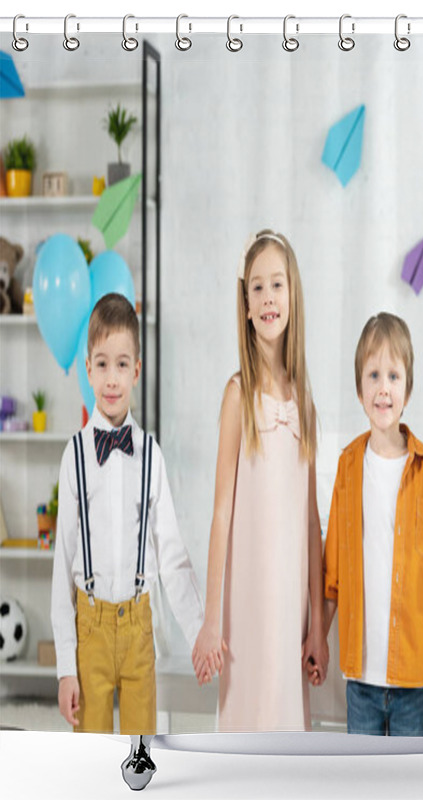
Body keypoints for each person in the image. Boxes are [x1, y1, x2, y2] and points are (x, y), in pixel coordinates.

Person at [192, 229, 327, 732]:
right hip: (246, 603)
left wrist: (317, 625)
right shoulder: (237, 395)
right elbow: (221, 512)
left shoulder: (305, 403)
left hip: (291, 602)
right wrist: (211, 619)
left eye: (277, 285)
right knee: (249, 724)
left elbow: (311, 522)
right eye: (257, 288)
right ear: (245, 304)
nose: (268, 297)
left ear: (292, 295)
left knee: (286, 732)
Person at [51, 292, 205, 735]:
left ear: (137, 370)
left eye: (122, 364)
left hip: (138, 629)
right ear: (87, 369)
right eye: (102, 364)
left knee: (142, 757)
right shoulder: (75, 456)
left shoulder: (151, 455)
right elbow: (63, 564)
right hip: (90, 632)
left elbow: (173, 556)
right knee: (92, 760)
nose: (112, 378)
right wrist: (66, 667)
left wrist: (197, 633)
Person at [323, 312, 423, 736]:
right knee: (362, 781)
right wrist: (316, 637)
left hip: (411, 682)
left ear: (408, 388)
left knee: (408, 782)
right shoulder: (348, 466)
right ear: (359, 387)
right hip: (359, 680)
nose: (383, 387)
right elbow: (332, 573)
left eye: (393, 376)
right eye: (373, 375)